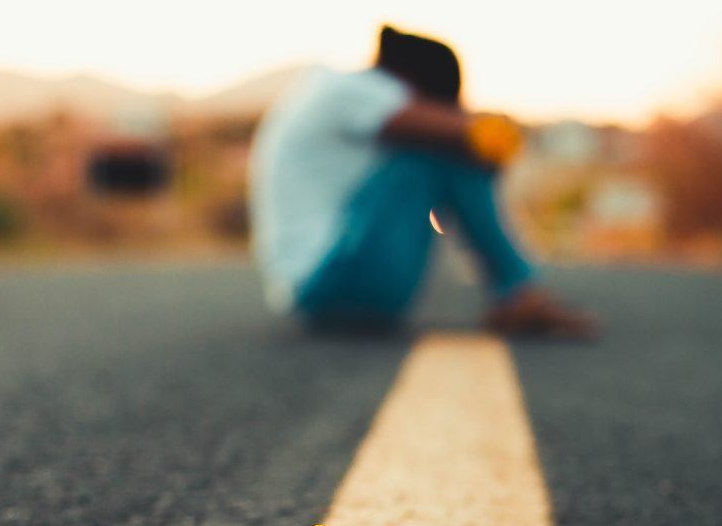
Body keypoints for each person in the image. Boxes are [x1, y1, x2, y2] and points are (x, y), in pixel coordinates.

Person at [249, 25, 597, 337]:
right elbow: (484, 136)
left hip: (325, 284)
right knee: (439, 155)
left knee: (438, 154)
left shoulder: (334, 91)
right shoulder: (359, 91)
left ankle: (518, 289)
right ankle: (517, 289)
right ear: (413, 87)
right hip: (328, 280)